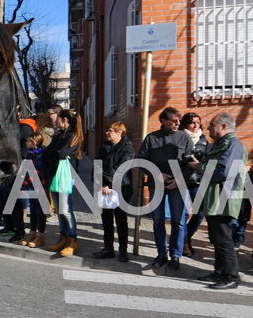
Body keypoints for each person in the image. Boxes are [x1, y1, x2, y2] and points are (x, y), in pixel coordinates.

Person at [187, 113, 247, 289]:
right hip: (214, 197)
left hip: (225, 197)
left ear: (224, 126)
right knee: (217, 238)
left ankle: (231, 276)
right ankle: (219, 272)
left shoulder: (234, 145)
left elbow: (224, 172)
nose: (208, 128)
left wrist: (199, 166)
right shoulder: (220, 144)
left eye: (212, 124)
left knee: (224, 238)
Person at [137, 107, 193, 270]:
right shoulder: (152, 138)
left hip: (178, 185)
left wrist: (179, 179)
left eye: (179, 121)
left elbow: (191, 163)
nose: (177, 124)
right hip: (157, 184)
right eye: (173, 121)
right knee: (158, 219)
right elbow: (142, 161)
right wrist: (157, 174)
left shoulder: (184, 138)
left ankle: (175, 255)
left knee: (178, 221)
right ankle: (161, 253)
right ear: (163, 121)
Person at [92, 121, 134, 262]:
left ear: (119, 132)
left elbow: (120, 168)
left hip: (121, 188)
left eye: (110, 130)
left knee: (121, 220)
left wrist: (108, 184)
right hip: (105, 188)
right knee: (107, 220)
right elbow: (97, 165)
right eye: (107, 130)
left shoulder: (127, 148)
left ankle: (123, 251)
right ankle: (108, 248)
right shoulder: (105, 147)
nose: (107, 133)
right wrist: (102, 183)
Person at [44, 109, 83, 256]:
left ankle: (72, 241)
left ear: (65, 120)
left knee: (66, 210)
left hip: (66, 175)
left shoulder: (74, 136)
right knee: (59, 210)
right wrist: (56, 153)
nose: (56, 121)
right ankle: (63, 237)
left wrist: (55, 153)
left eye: (58, 118)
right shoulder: (59, 135)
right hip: (54, 173)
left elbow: (60, 153)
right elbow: (47, 151)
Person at [179, 112, 209, 256]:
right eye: (192, 123)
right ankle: (184, 244)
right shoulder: (180, 138)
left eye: (198, 122)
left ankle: (188, 236)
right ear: (186, 124)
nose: (196, 126)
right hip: (183, 181)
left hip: (198, 181)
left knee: (200, 213)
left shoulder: (204, 140)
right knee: (183, 214)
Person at [21, 133, 47, 248]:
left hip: (40, 186)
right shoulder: (29, 154)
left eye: (28, 141)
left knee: (40, 211)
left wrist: (28, 180)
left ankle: (40, 235)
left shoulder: (42, 155)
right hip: (31, 185)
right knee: (32, 209)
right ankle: (32, 232)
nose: (26, 143)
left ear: (34, 143)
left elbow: (41, 171)